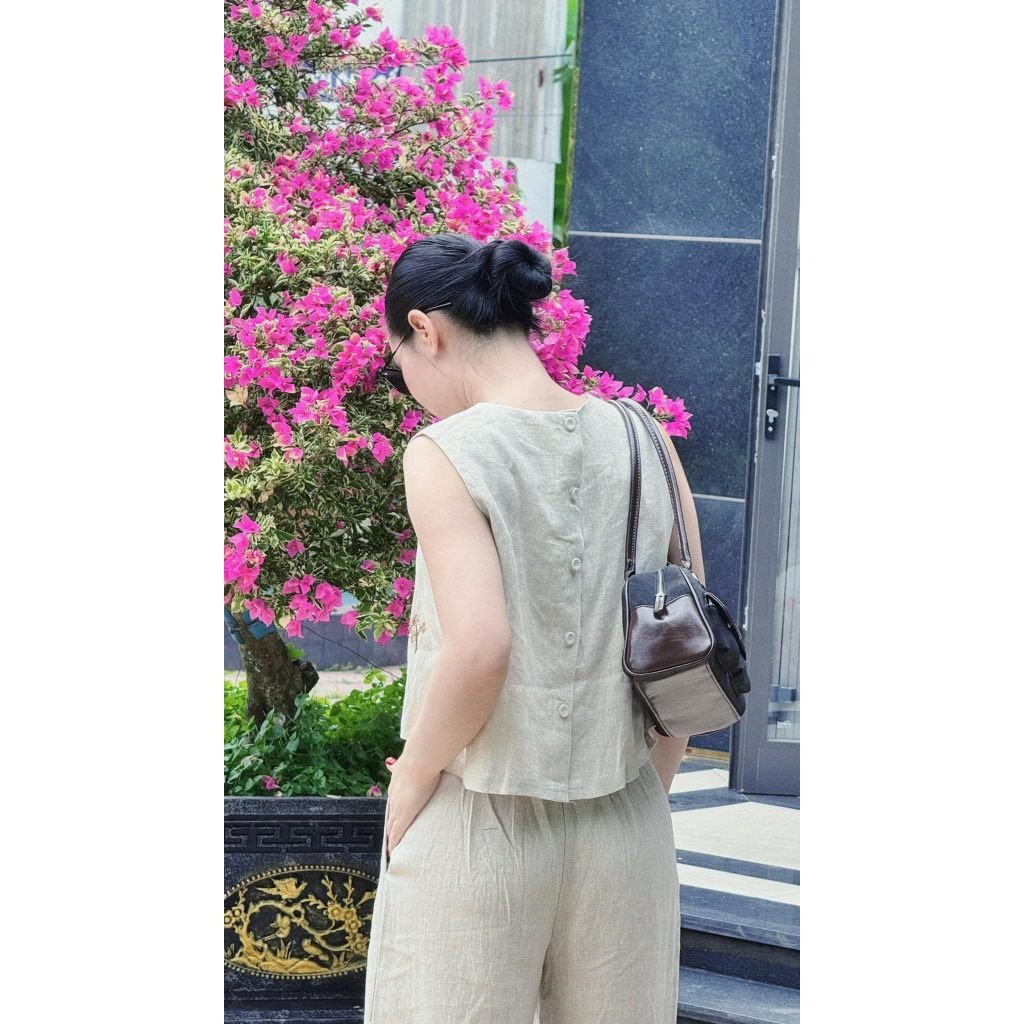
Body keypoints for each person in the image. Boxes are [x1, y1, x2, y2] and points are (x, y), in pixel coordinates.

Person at [363, 232, 705, 1024]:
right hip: (625, 826)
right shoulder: (645, 437)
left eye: (395, 363)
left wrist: (411, 780)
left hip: (478, 827)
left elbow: (481, 647)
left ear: (425, 331)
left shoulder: (446, 451)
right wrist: (644, 794)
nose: (405, 385)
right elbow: (687, 648)